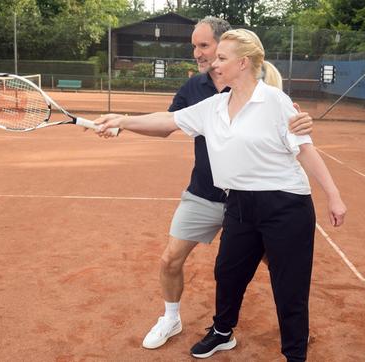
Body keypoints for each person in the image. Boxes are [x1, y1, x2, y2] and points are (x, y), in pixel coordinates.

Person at [95, 28, 347, 361]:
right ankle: (222, 332)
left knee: (289, 286)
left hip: (285, 206)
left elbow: (305, 150)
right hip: (239, 204)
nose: (214, 64)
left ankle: (295, 355)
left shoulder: (274, 101)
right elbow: (168, 120)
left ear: (243, 63)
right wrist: (123, 120)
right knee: (228, 273)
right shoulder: (213, 106)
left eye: (221, 58)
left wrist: (333, 195)